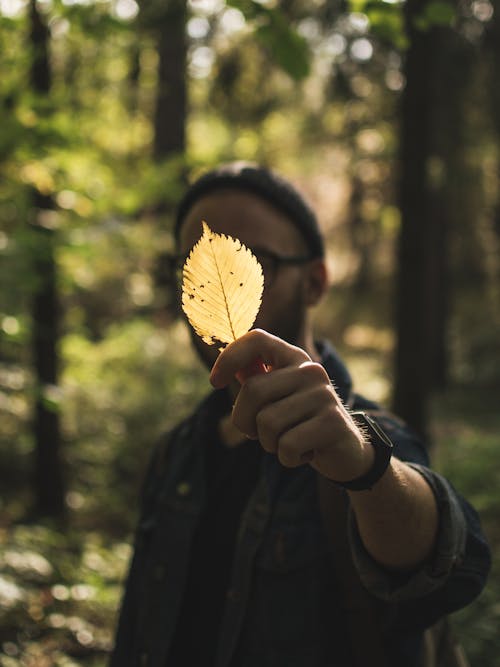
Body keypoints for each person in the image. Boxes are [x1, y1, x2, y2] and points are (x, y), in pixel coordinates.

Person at [110, 162, 490, 667]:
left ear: (315, 283)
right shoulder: (175, 454)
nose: (212, 271)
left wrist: (367, 470)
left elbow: (449, 561)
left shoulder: (367, 441)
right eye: (191, 261)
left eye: (255, 259)